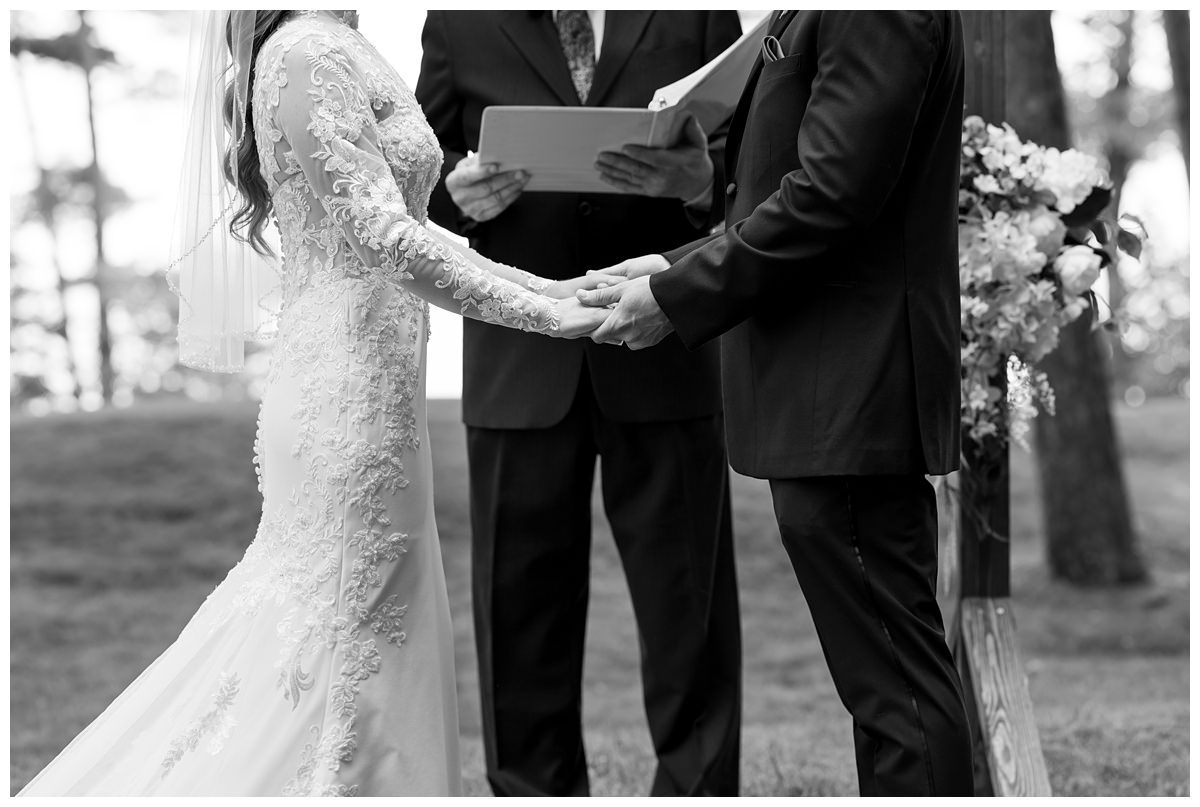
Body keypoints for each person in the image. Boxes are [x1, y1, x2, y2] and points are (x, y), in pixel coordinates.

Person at [19, 10, 608, 796]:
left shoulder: (341, 43)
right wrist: (547, 316)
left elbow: (417, 227)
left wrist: (552, 285)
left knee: (361, 619)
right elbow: (385, 242)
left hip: (380, 383)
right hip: (348, 392)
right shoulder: (308, 53)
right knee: (338, 626)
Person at [577, 11, 976, 796]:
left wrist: (675, 297)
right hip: (827, 394)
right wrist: (668, 263)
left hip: (852, 388)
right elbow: (769, 191)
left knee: (898, 690)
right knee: (883, 684)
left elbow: (831, 194)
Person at [414, 11, 745, 797]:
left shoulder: (697, 12)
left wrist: (700, 184)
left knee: (687, 609)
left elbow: (753, 160)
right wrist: (456, 197)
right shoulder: (459, 21)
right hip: (518, 358)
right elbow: (412, 178)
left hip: (667, 349)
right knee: (518, 611)